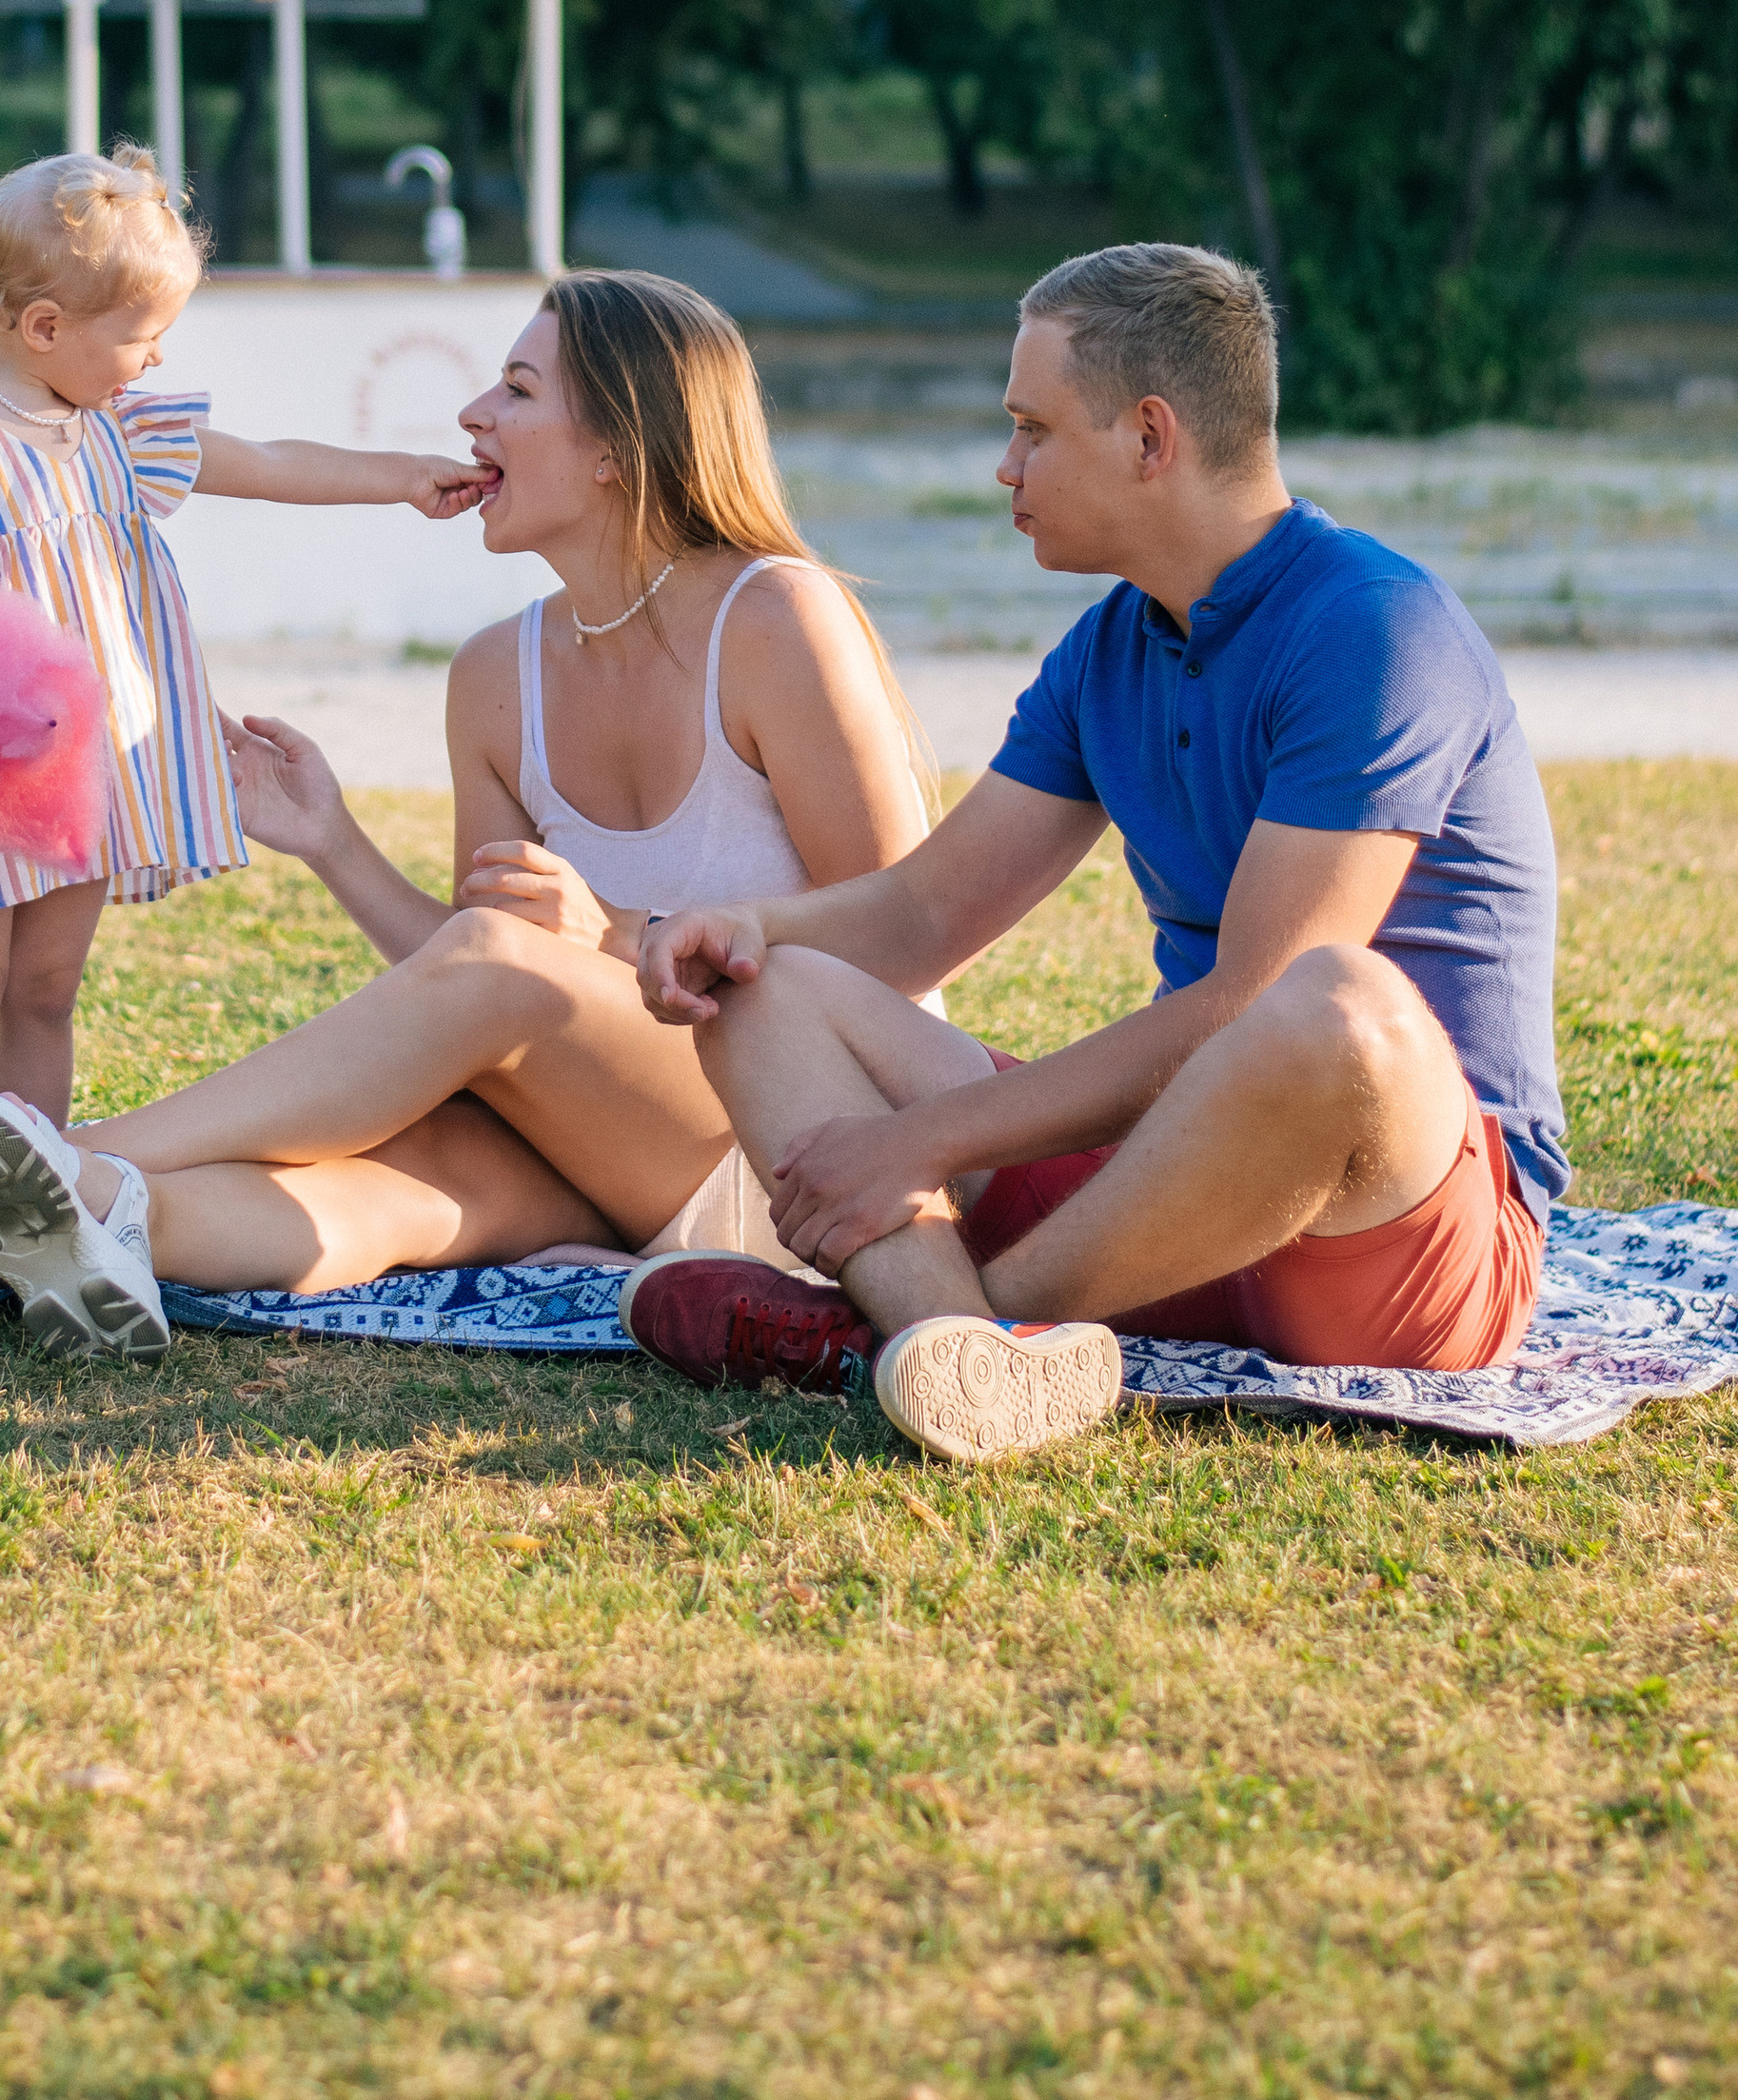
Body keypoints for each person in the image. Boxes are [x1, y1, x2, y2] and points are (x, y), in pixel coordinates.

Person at [0, 270, 941, 1359]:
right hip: (595, 1145)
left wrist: (616, 936)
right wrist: (332, 843)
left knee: (508, 959)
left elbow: (907, 941)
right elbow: (469, 992)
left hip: (798, 1147)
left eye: (517, 390)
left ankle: (37, 1157)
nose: (472, 413)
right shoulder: (499, 674)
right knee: (374, 1199)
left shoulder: (777, 615)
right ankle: (71, 1218)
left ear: (615, 450)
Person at [620, 242, 1566, 1468]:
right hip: (1173, 1203)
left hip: (1400, 1237)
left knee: (1332, 1003)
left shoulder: (1376, 630)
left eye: (1032, 430)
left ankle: (897, 1331)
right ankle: (953, 1350)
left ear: (1150, 438)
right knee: (765, 990)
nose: (1003, 468)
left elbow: (1245, 1008)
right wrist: (748, 927)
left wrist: (929, 1141)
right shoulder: (1109, 647)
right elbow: (923, 914)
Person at [0, 147, 484, 1306]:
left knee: (49, 988)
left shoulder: (119, 426)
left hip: (84, 764)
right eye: (141, 334)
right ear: (47, 326)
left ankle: (28, 1193)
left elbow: (268, 463)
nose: (156, 358)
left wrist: (401, 474)